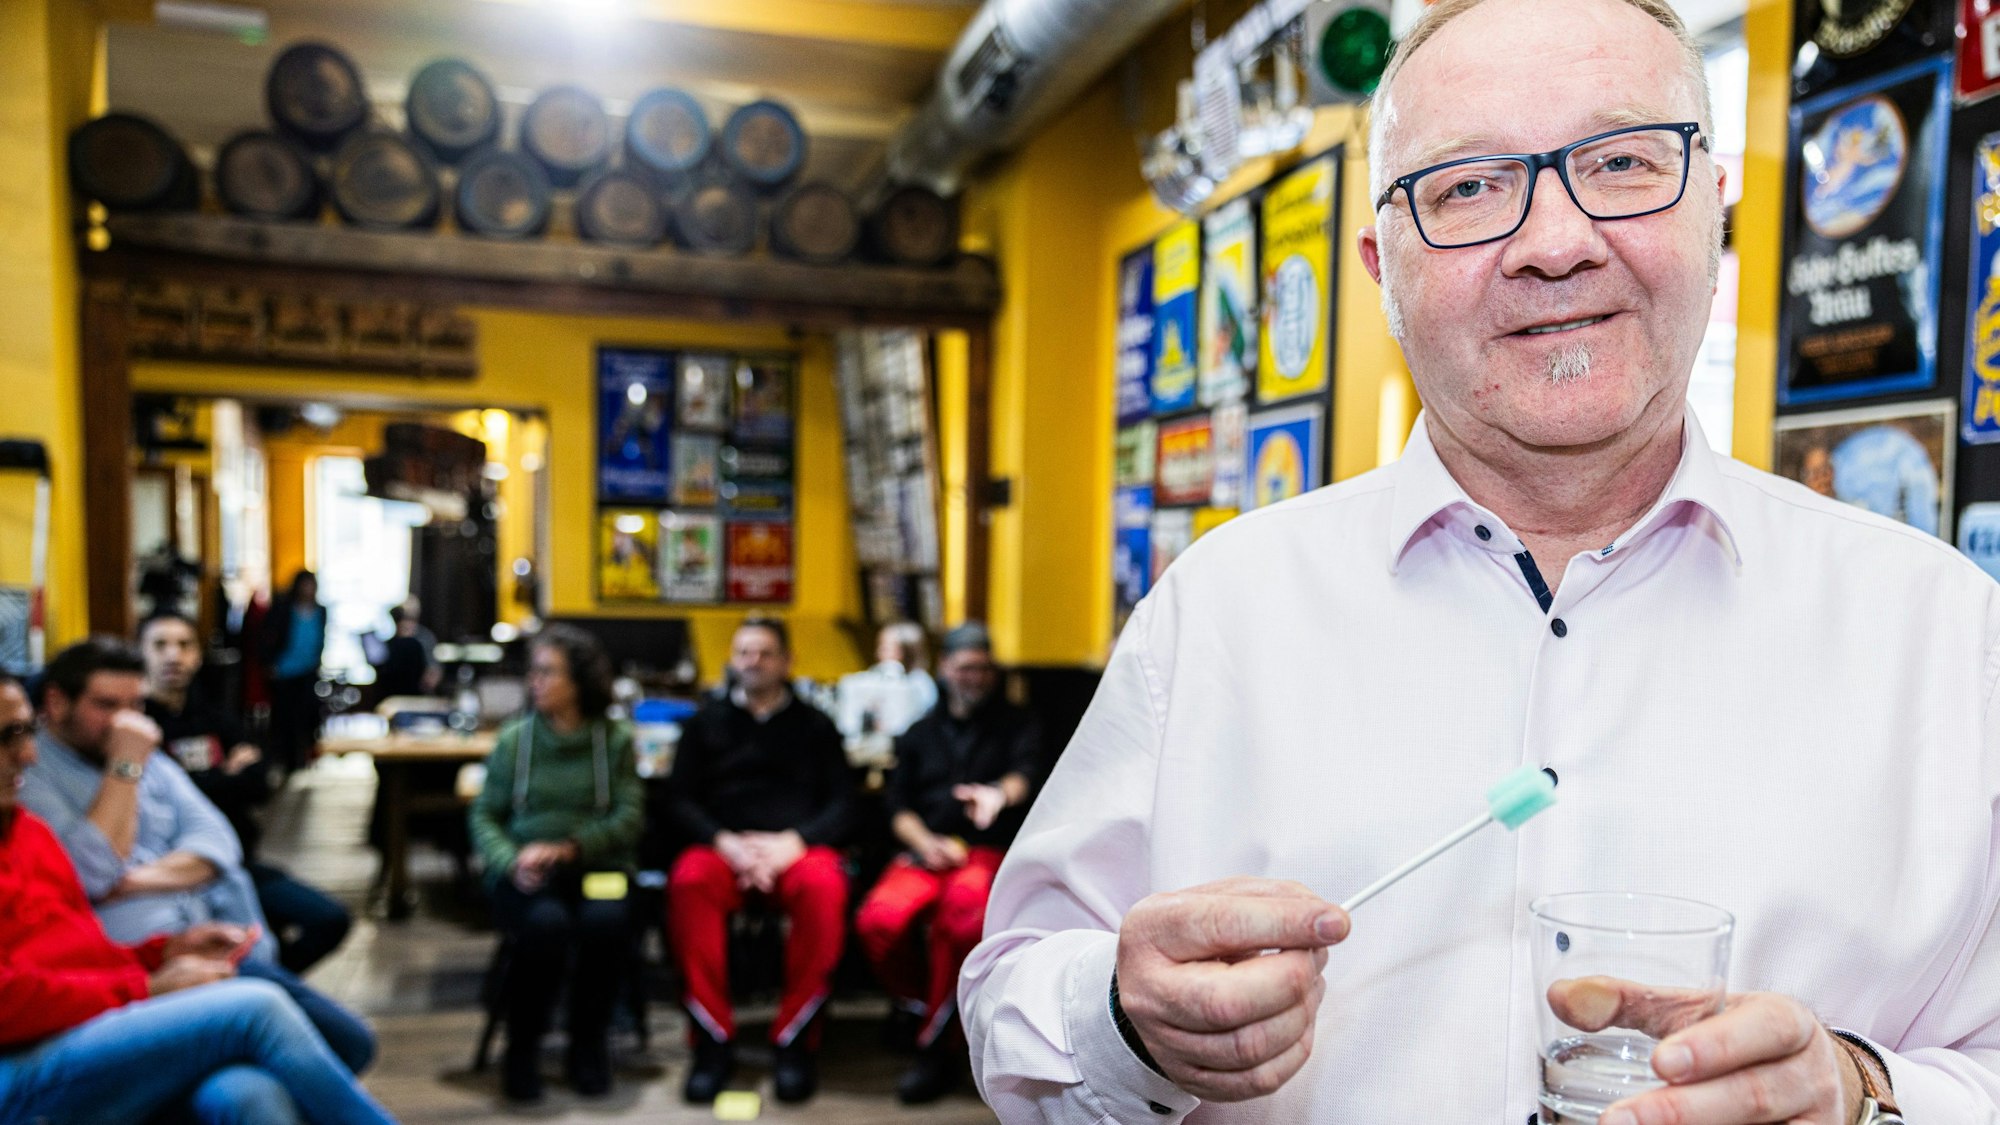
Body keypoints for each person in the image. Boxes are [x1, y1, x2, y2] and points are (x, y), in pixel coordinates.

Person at [962, 0, 1997, 1121]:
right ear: (1377, 264)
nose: (1555, 243)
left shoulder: (1938, 631)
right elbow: (1013, 1008)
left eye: (1620, 163)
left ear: (1716, 201)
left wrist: (1862, 1092)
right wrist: (1123, 1025)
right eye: (1466, 187)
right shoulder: (1218, 613)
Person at [0, 672, 396, 1125]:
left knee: (248, 1091)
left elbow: (218, 841)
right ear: (59, 703)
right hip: (22, 1056)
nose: (26, 753)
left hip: (96, 1008)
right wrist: (145, 986)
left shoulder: (25, 828)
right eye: (8, 735)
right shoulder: (58, 781)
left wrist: (162, 952)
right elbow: (96, 873)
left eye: (25, 732)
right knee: (258, 1009)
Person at [664, 618, 853, 1105]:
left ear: (787, 661)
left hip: (795, 851)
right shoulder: (703, 724)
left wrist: (796, 841)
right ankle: (712, 1043)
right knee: (687, 882)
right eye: (745, 652)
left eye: (766, 652)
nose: (754, 661)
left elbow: (843, 803)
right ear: (732, 660)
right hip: (724, 850)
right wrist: (723, 841)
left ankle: (794, 1040)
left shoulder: (817, 726)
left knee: (826, 887)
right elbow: (679, 799)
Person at [856, 621, 1041, 1103]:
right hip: (925, 851)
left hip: (984, 851)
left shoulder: (1018, 724)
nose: (975, 677)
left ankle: (935, 1048)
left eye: (983, 668)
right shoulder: (919, 733)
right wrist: (924, 841)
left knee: (961, 926)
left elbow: (1023, 776)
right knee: (878, 921)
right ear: (944, 669)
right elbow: (896, 806)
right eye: (966, 667)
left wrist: (996, 796)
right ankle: (926, 1006)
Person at [467, 624, 642, 1104]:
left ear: (580, 680)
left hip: (597, 867)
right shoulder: (516, 740)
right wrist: (510, 860)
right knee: (545, 925)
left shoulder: (615, 740)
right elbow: (484, 815)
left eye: (548, 672)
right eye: (534, 672)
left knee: (606, 921)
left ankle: (588, 1045)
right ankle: (523, 1046)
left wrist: (572, 847)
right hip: (529, 871)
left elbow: (630, 816)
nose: (534, 682)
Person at [142, 611, 354, 973]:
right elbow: (160, 804)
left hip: (237, 863)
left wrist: (212, 780)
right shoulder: (138, 724)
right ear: (142, 653)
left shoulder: (211, 713)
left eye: (184, 645)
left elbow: (260, 780)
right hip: (175, 875)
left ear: (197, 655)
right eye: (160, 645)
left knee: (329, 920)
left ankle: (273, 981)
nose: (173, 656)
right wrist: (225, 775)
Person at [261, 570, 327, 772]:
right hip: (285, 671)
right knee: (285, 718)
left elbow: (320, 637)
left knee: (308, 715)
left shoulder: (320, 610)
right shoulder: (283, 608)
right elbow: (266, 636)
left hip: (308, 671)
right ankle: (287, 760)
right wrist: (269, 663)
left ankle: (306, 755)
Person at [834, 621, 938, 742]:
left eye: (885, 648)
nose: (878, 653)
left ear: (906, 651)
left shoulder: (921, 683)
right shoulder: (876, 679)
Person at [368, 597, 441, 701]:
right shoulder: (390, 643)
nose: (405, 622)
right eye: (400, 617)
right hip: (390, 698)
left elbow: (433, 674)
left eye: (410, 618)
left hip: (415, 698)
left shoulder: (424, 639)